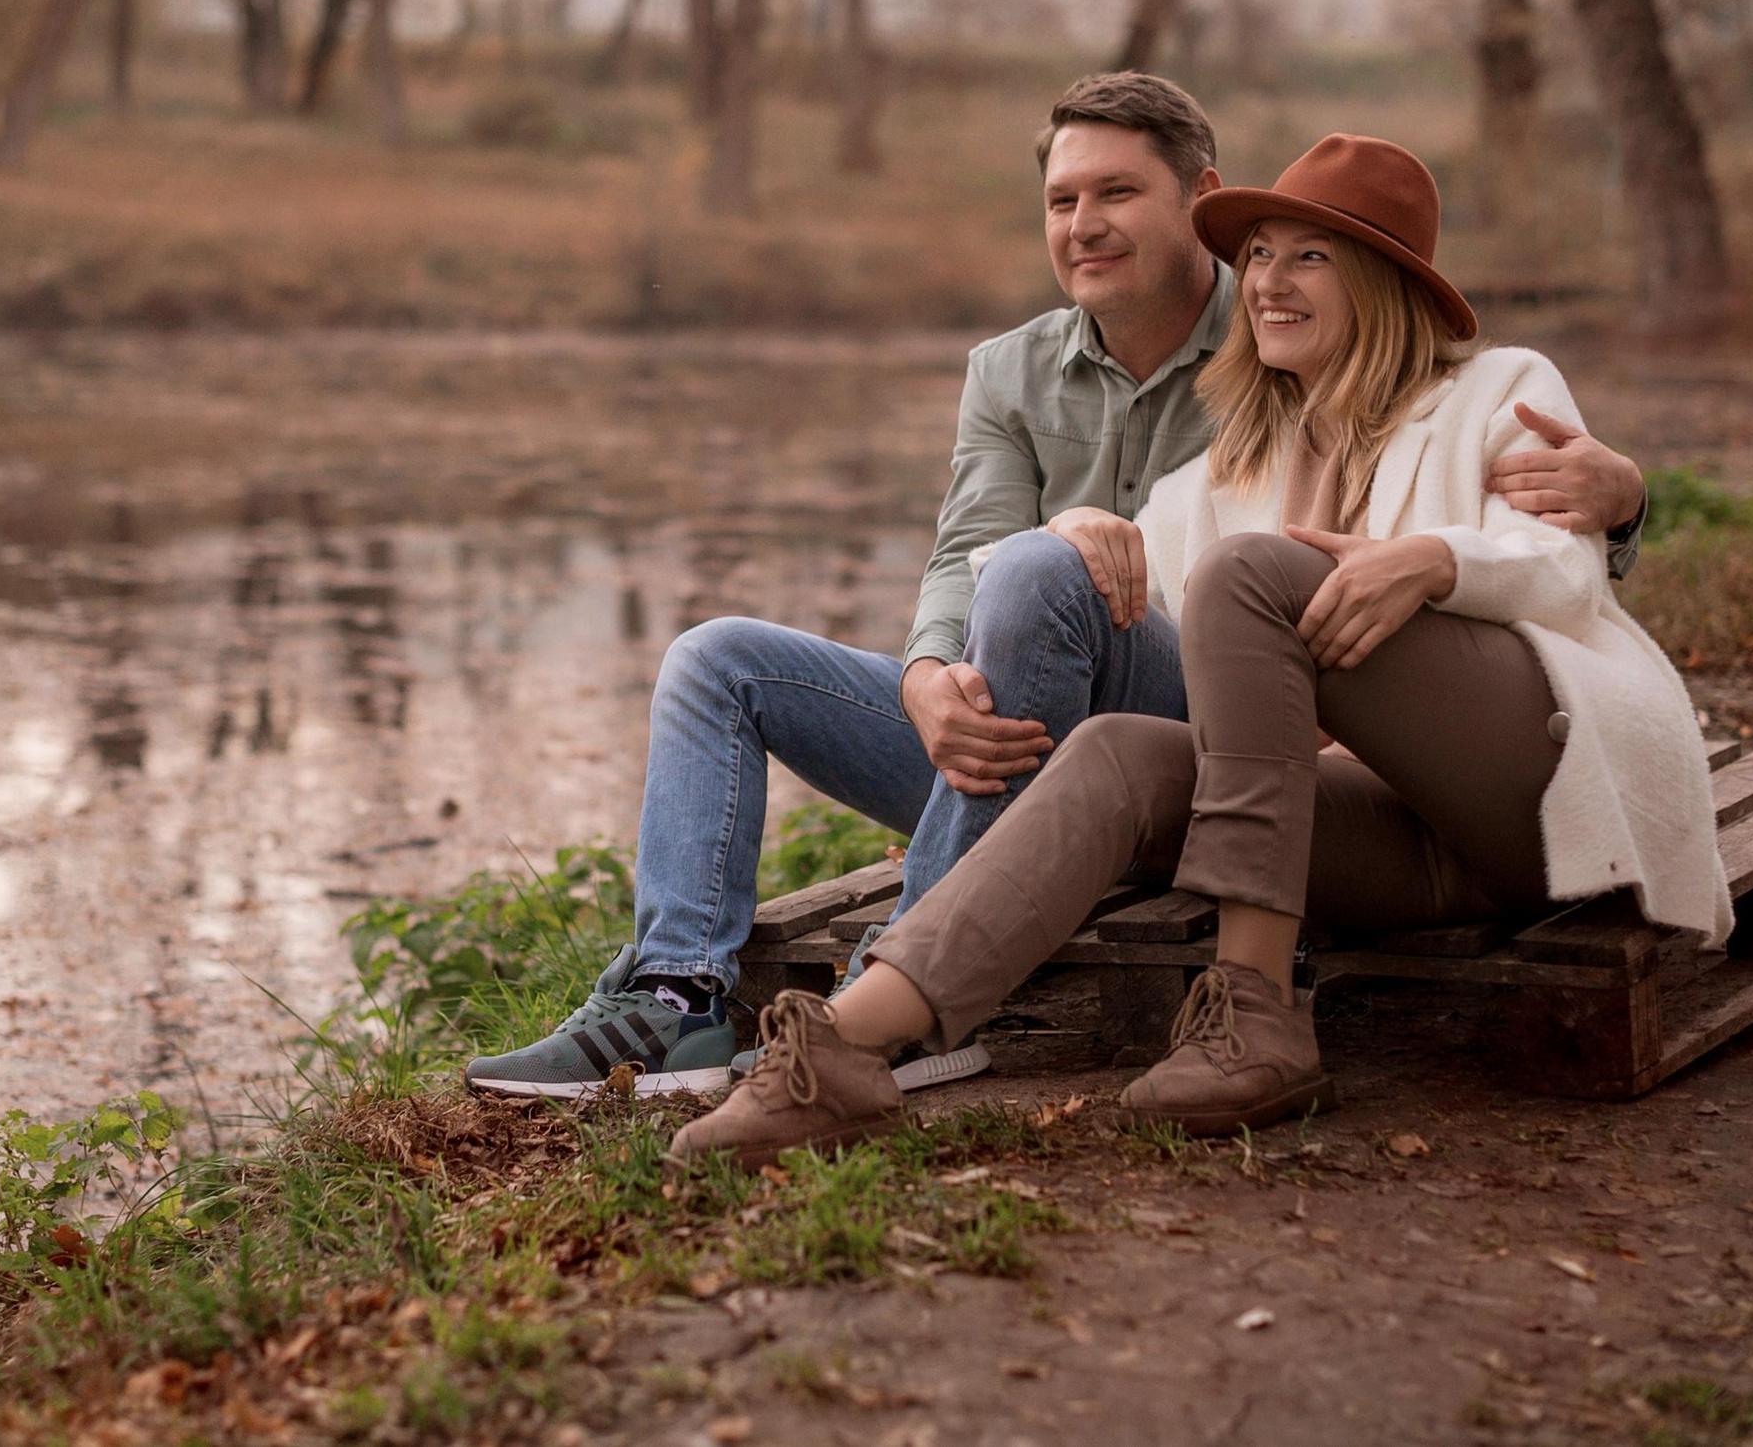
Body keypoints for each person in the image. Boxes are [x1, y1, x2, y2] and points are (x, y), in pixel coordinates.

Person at [464, 84, 1651, 1101]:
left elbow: (1453, 462)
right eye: (1061, 199)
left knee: (1044, 568)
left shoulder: (1285, 335)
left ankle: (907, 969)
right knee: (719, 656)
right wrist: (932, 672)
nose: (1084, 222)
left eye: (1117, 193)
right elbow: (968, 545)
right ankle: (679, 991)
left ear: (1200, 197)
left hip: (1218, 719)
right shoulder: (1012, 369)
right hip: (1028, 732)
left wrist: (1623, 497)